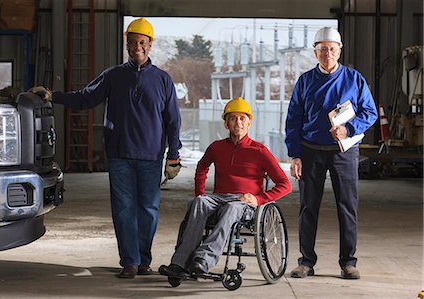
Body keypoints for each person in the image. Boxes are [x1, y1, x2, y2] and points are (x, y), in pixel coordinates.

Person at [30, 18, 182, 279]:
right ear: (127, 44)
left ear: (150, 45)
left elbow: (173, 120)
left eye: (142, 42)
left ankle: (144, 259)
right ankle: (130, 262)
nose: (137, 46)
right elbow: (86, 97)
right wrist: (53, 95)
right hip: (120, 154)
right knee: (123, 208)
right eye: (132, 42)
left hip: (151, 156)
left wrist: (174, 154)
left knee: (148, 209)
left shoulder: (163, 80)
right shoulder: (113, 76)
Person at [159, 97, 292, 278]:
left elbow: (285, 184)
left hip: (244, 202)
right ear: (226, 123)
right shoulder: (217, 147)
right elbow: (202, 167)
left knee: (232, 207)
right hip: (218, 197)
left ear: (249, 122)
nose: (238, 123)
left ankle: (204, 259)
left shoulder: (260, 151)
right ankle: (179, 263)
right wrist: (200, 193)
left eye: (242, 118)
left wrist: (258, 199)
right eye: (233, 118)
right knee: (199, 203)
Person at [285, 27, 378, 280]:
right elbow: (293, 120)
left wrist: (348, 129)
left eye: (332, 49)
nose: (328, 53)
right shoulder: (305, 81)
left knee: (347, 207)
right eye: (323, 49)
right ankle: (306, 261)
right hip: (311, 151)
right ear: (316, 52)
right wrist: (295, 155)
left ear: (339, 51)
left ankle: (348, 262)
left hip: (343, 153)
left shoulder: (354, 79)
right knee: (308, 208)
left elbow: (370, 113)